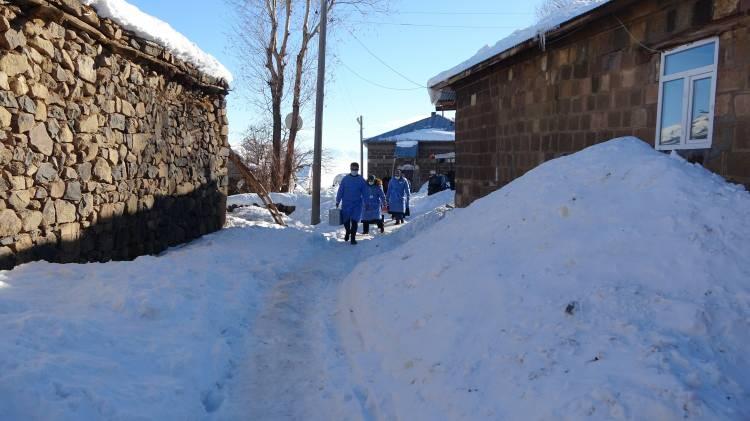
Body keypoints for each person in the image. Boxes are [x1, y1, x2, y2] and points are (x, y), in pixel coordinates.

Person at [336, 162, 368, 245]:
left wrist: (367, 202)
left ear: (358, 169)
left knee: (354, 221)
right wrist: (337, 201)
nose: (354, 170)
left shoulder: (361, 180)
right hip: (346, 203)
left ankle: (353, 238)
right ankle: (347, 232)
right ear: (350, 169)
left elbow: (365, 192)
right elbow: (340, 191)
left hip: (357, 204)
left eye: (356, 169)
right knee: (346, 221)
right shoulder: (345, 179)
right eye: (353, 169)